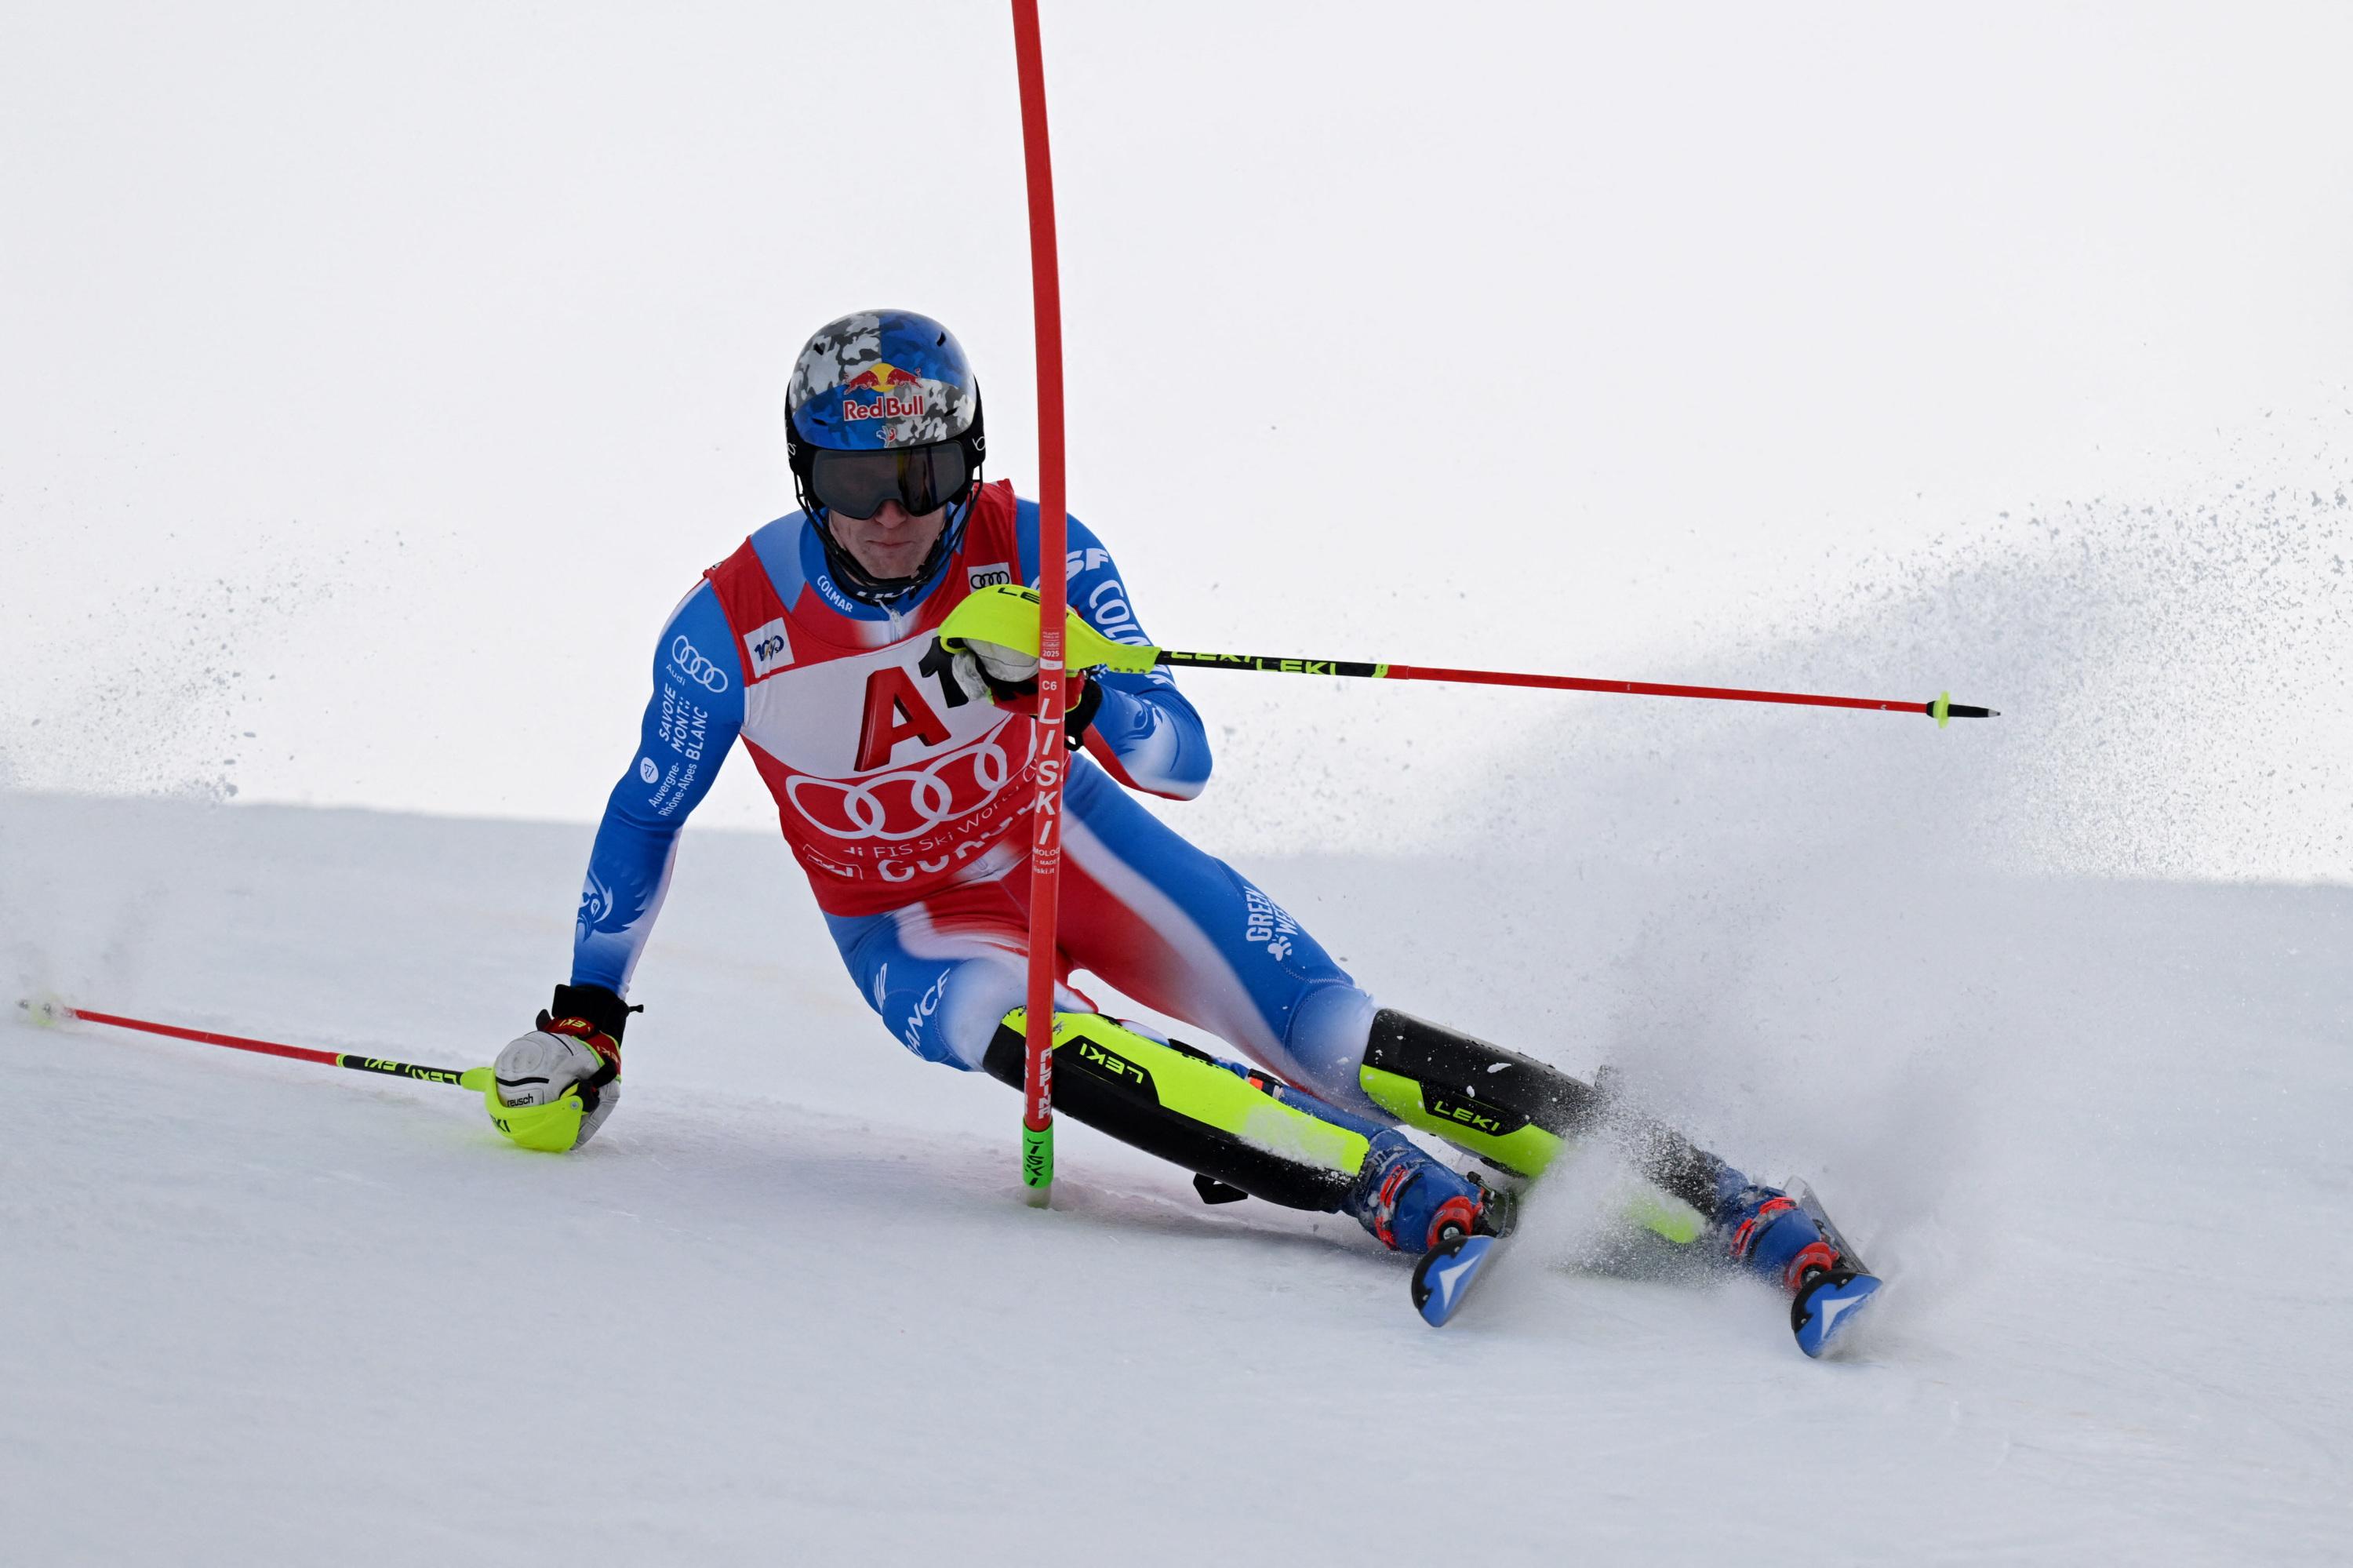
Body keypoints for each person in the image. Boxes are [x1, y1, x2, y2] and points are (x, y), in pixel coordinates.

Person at [488, 308, 1859, 1316]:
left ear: (964, 458)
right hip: (907, 926)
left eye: (917, 479)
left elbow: (1182, 757)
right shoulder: (727, 628)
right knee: (1029, 1038)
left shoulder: (1043, 547)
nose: (893, 520)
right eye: (856, 484)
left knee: (1334, 1030)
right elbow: (644, 815)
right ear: (806, 474)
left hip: (1072, 841)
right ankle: (1382, 1188)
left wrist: (1073, 685)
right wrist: (588, 1020)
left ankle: (1735, 1201)